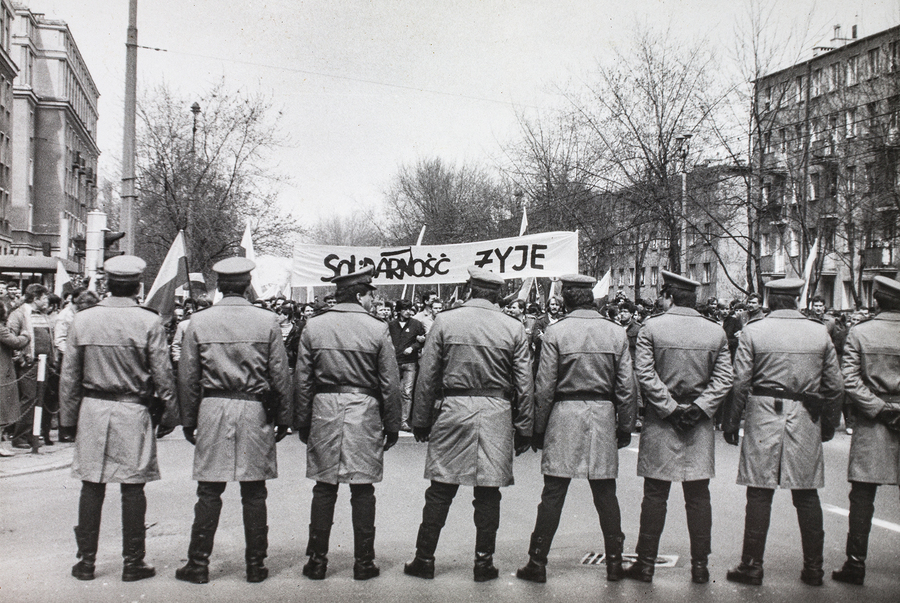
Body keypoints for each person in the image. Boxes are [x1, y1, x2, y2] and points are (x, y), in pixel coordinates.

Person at [405, 267, 534, 582]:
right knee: (488, 492)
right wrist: (526, 427)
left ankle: (425, 558)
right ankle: (483, 563)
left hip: (454, 409)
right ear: (497, 295)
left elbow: (427, 375)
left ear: (469, 290)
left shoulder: (445, 321)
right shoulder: (513, 327)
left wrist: (420, 419)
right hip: (496, 412)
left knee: (440, 488)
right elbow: (524, 384)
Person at [58, 255, 178, 582]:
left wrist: (67, 421)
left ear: (106, 284)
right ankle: (132, 562)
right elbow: (163, 374)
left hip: (93, 409)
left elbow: (69, 376)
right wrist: (170, 413)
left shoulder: (83, 320)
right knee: (132, 487)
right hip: (133, 410)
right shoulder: (149, 322)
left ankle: (86, 562)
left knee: (91, 485)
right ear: (139, 285)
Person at [175, 258, 292, 585]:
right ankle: (256, 565)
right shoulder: (268, 321)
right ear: (247, 284)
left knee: (209, 491)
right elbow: (280, 374)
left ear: (221, 286)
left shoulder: (198, 321)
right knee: (255, 491)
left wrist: (188, 419)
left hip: (213, 406)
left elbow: (187, 377)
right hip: (254, 408)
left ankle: (198, 563)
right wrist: (284, 417)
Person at [516, 274, 637, 584]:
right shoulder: (616, 333)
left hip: (564, 413)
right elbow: (626, 388)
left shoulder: (556, 333)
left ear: (566, 300)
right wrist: (624, 426)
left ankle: (537, 561)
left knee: (553, 492)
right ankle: (613, 562)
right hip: (602, 413)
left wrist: (537, 430)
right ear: (592, 299)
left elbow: (544, 387)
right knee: (605, 493)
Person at [723, 277, 843, 587]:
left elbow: (740, 382)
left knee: (759, 492)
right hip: (806, 415)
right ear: (796, 298)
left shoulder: (753, 331)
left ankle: (751, 565)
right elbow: (835, 386)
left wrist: (732, 421)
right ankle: (814, 568)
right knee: (806, 493)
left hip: (764, 412)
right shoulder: (819, 333)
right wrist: (828, 424)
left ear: (770, 299)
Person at [623, 270, 733, 584]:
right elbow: (725, 378)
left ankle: (645, 564)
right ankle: (700, 567)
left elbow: (643, 373)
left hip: (662, 420)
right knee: (698, 495)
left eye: (661, 293)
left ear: (669, 295)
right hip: (698, 421)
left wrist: (670, 409)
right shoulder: (715, 332)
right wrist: (699, 408)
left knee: (655, 494)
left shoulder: (652, 328)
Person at [294, 265, 401, 581]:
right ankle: (364, 563)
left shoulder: (314, 327)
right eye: (370, 294)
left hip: (325, 409)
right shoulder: (377, 329)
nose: (372, 300)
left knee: (324, 488)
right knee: (363, 488)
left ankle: (316, 561)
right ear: (359, 293)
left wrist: (302, 421)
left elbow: (302, 380)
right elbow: (390, 384)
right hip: (363, 411)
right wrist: (392, 424)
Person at [831, 276, 900, 586]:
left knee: (862, 494)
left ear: (877, 300)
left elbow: (850, 379)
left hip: (874, 421)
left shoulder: (860, 333)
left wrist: (879, 408)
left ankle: (855, 563)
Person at [7, 284, 56, 448]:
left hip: (44, 364)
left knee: (39, 399)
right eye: (43, 298)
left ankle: (32, 434)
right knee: (28, 399)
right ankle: (19, 436)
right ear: (35, 298)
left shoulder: (43, 315)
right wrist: (20, 357)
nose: (46, 300)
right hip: (29, 364)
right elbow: (10, 336)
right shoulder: (19, 314)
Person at [388, 299, 426, 432]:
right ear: (398, 311)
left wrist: (414, 347)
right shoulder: (390, 325)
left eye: (410, 309)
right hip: (394, 362)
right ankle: (392, 421)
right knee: (393, 392)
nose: (408, 312)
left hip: (410, 362)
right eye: (405, 309)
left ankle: (404, 421)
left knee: (407, 392)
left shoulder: (417, 324)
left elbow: (422, 340)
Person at [0, 303, 29, 456]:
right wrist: (26, 334)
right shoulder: (1, 329)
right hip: (2, 373)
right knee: (2, 409)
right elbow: (16, 342)